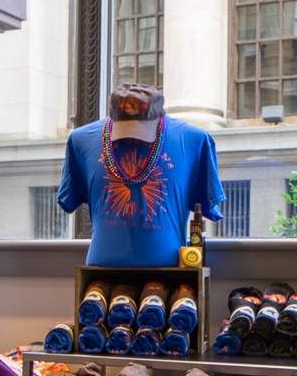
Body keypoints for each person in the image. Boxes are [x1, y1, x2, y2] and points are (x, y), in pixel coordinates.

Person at [58, 82, 223, 266]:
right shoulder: (80, 141)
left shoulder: (195, 141)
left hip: (170, 276)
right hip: (99, 275)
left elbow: (205, 208)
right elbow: (70, 200)